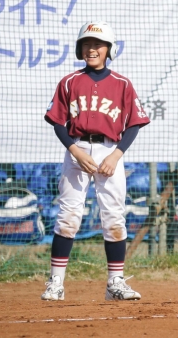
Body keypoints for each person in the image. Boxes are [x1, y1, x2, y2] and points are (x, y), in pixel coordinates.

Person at [41, 20, 150, 301]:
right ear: (80, 49)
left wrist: (116, 155)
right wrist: (75, 151)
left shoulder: (122, 84)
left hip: (110, 151)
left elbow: (134, 124)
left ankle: (115, 283)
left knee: (114, 217)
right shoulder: (69, 82)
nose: (92, 49)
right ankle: (55, 283)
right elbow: (58, 122)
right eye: (87, 44)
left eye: (98, 45)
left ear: (108, 50)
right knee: (68, 216)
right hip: (77, 148)